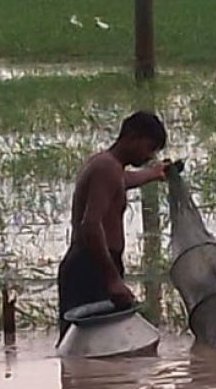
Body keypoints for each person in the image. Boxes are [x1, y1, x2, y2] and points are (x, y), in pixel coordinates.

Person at [57, 111, 171, 344]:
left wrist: (153, 173)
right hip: (90, 268)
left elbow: (123, 181)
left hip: (92, 264)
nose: (149, 155)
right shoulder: (107, 169)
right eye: (149, 148)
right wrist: (112, 279)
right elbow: (90, 225)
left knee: (93, 351)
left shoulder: (108, 166)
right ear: (132, 137)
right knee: (91, 348)